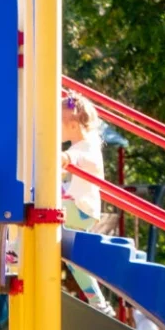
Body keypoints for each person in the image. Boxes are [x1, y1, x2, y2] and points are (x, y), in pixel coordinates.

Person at [61, 92, 114, 316]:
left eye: (59, 125)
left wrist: (55, 157)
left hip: (79, 210)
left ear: (73, 125)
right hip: (79, 209)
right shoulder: (84, 144)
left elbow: (70, 159)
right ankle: (99, 303)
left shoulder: (85, 147)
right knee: (74, 261)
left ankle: (13, 251)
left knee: (32, 212)